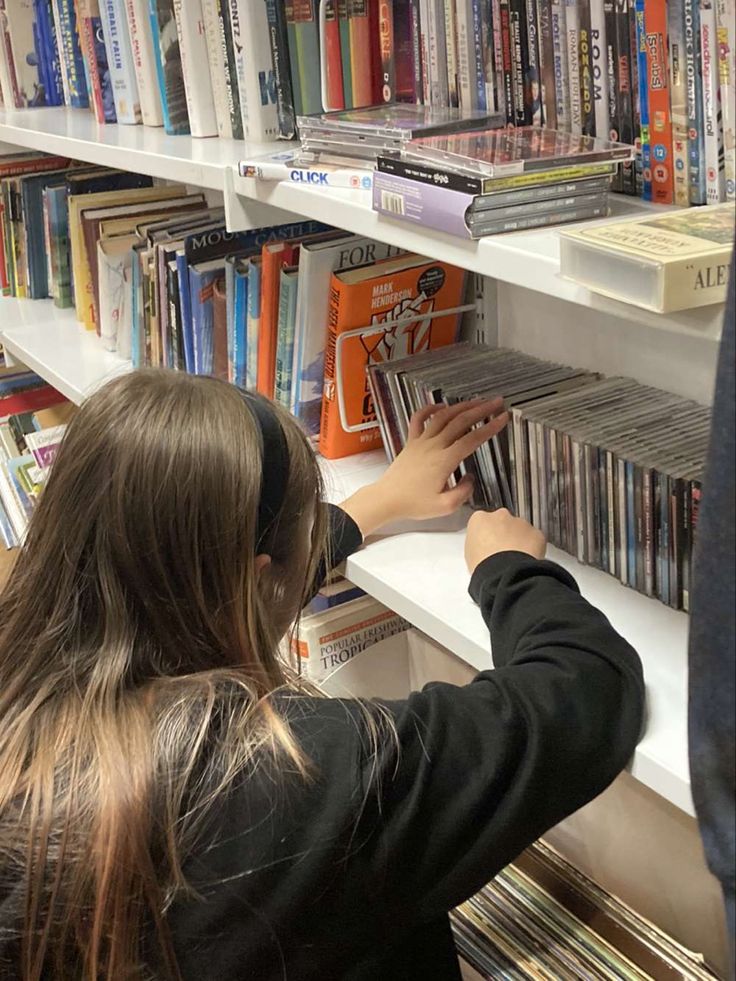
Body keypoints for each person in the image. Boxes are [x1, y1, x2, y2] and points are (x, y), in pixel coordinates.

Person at [0, 370, 644, 981]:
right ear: (252, 577)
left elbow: (178, 584)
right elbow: (586, 690)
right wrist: (508, 570)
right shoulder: (299, 778)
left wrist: (372, 507)